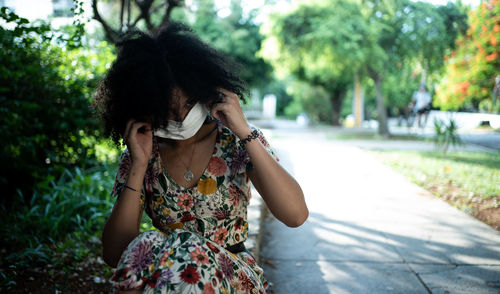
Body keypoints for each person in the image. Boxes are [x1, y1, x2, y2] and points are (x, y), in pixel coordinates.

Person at [93, 22, 308, 294]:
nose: (182, 117)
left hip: (232, 277)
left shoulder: (236, 141)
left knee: (189, 251)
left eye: (188, 103)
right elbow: (115, 255)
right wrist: (138, 165)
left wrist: (243, 131)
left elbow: (296, 215)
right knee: (151, 244)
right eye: (169, 110)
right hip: (168, 280)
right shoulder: (144, 154)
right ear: (147, 107)